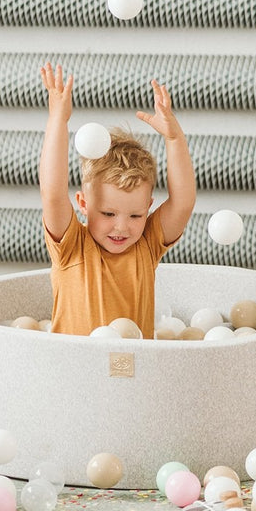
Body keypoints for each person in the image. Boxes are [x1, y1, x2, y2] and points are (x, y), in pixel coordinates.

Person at [39, 61, 196, 337]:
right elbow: (52, 194)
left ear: (148, 208)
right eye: (108, 214)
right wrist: (57, 120)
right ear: (84, 204)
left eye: (135, 216)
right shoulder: (72, 247)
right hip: (75, 370)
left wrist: (174, 139)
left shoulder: (146, 245)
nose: (122, 227)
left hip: (133, 374)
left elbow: (182, 203)